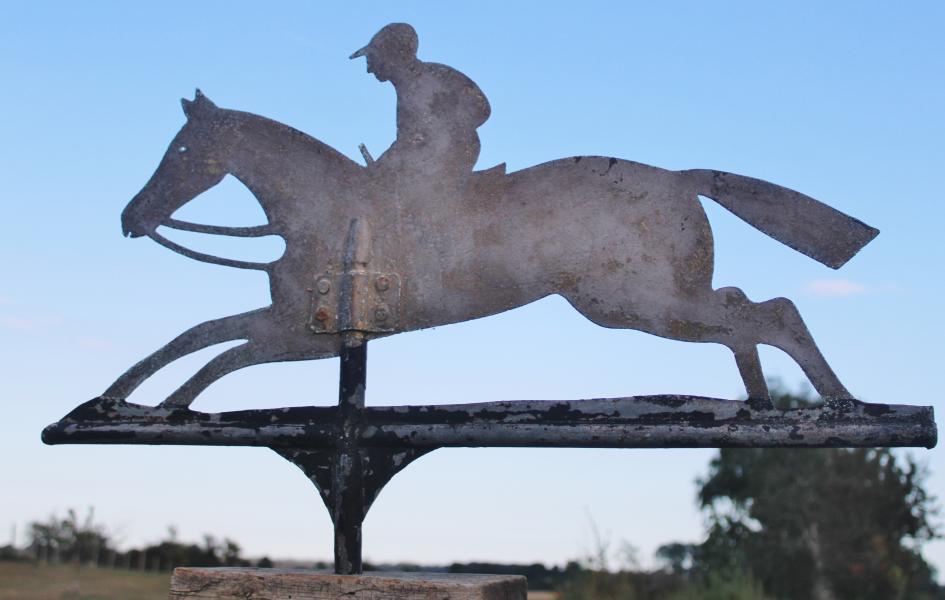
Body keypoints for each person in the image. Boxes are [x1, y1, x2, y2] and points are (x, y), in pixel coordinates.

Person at [350, 23, 491, 198]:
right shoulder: (408, 87)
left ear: (392, 54)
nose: (369, 69)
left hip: (446, 162)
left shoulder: (432, 78)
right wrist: (383, 166)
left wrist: (445, 129)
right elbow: (409, 141)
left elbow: (481, 108)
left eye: (373, 58)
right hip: (429, 161)